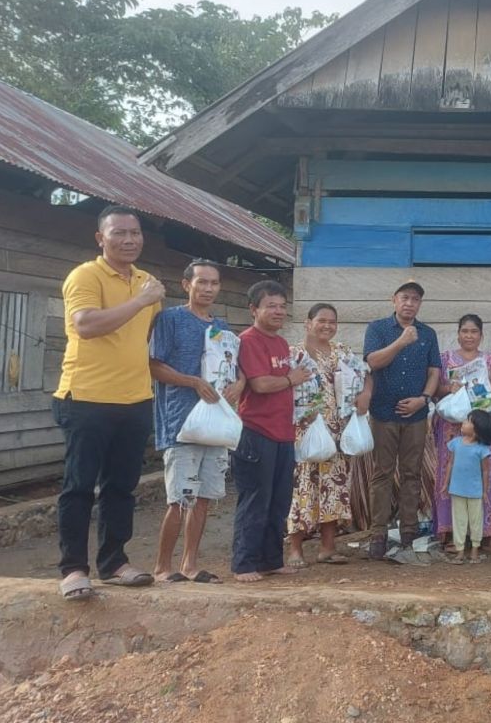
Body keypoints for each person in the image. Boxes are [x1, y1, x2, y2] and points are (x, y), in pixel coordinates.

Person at [54, 205, 165, 600]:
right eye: (119, 233)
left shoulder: (147, 282)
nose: (129, 239)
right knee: (79, 486)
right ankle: (73, 569)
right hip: (86, 396)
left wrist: (144, 298)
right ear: (101, 238)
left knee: (121, 487)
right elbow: (86, 325)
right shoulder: (85, 275)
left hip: (135, 398)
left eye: (135, 233)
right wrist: (138, 300)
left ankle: (115, 561)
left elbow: (144, 334)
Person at [149, 259, 243, 584]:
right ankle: (163, 566)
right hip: (181, 423)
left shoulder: (224, 330)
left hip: (215, 426)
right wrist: (193, 382)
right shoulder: (170, 320)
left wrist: (238, 386)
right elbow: (154, 365)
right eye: (201, 282)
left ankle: (190, 564)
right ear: (186, 284)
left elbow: (238, 371)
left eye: (214, 283)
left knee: (203, 499)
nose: (208, 289)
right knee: (180, 498)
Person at [232, 280, 313, 583]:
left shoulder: (280, 343)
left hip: (283, 432)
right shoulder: (249, 340)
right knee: (255, 499)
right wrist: (293, 379)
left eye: (282, 306)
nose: (279, 311)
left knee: (279, 501)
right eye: (271, 306)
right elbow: (260, 384)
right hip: (256, 431)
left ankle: (270, 560)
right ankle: (244, 564)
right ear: (254, 309)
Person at [285, 303, 372, 568]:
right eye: (321, 321)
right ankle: (296, 549)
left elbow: (366, 374)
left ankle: (327, 547)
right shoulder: (294, 354)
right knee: (303, 486)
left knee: (334, 487)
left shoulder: (342, 352)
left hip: (337, 430)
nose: (327, 326)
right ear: (307, 322)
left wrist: (366, 394)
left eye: (332, 322)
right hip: (305, 429)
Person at [363, 280, 441, 558]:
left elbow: (434, 371)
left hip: (416, 415)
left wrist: (424, 398)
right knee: (382, 473)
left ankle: (409, 532)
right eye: (405, 298)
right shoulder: (377, 329)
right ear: (393, 300)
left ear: (420, 304)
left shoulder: (428, 334)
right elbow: (372, 362)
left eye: (415, 299)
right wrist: (401, 341)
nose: (409, 303)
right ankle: (378, 535)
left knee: (412, 473)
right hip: (383, 413)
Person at [430, 314, 491, 555]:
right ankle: (452, 533)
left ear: (481, 335)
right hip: (451, 431)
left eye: (474, 332)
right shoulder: (445, 360)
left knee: (484, 478)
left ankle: (488, 533)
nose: (469, 336)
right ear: (458, 333)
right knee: (451, 476)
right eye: (464, 331)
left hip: (481, 430)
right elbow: (435, 391)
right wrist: (449, 388)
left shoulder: (489, 361)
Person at [442, 409, 491, 565]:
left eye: (468, 421)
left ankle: (474, 550)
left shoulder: (482, 449)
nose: (463, 423)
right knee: (458, 520)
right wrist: (446, 483)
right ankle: (460, 551)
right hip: (457, 488)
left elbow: (485, 471)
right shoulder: (455, 443)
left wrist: (485, 490)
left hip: (475, 491)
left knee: (475, 520)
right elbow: (450, 464)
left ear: (476, 430)